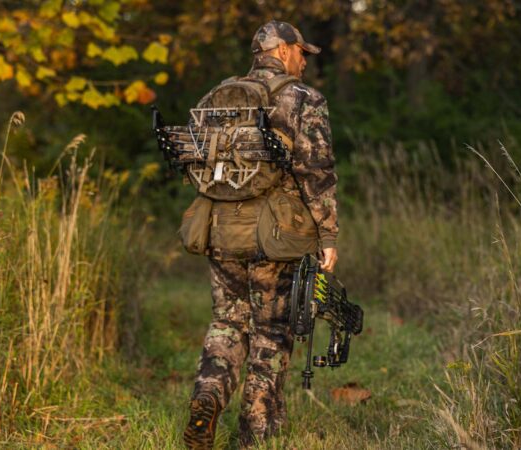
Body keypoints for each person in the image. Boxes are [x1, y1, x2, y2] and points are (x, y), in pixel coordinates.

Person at [183, 20, 339, 449]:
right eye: (301, 52)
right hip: (277, 236)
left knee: (227, 323)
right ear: (283, 51)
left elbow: (195, 163)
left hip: (220, 229)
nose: (304, 60)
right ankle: (254, 434)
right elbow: (317, 171)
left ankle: (208, 396)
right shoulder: (303, 98)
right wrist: (328, 235)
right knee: (271, 331)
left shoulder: (218, 96)